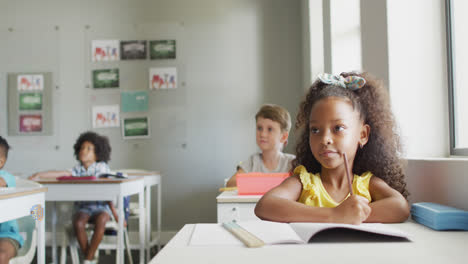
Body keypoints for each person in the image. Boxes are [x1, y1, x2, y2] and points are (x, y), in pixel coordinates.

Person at [255, 72, 410, 224]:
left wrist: (353, 215)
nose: (325, 139)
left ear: (362, 135)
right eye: (315, 130)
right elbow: (265, 205)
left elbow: (400, 207)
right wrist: (334, 215)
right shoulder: (304, 183)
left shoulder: (366, 184)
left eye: (338, 128)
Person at [30, 131, 122, 264]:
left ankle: (87, 259)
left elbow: (108, 192)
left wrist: (116, 214)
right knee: (78, 222)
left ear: (98, 154)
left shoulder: (102, 168)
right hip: (83, 208)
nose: (84, 151)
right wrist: (39, 175)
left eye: (89, 149)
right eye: (82, 148)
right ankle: (89, 257)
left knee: (101, 219)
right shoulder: (77, 169)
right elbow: (60, 173)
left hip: (101, 208)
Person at [225, 104, 296, 187]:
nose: (263, 134)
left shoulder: (292, 162)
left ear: (283, 137)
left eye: (270, 129)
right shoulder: (252, 161)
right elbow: (230, 183)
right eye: (259, 128)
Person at [0, 136, 24, 264]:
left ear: (1, 162)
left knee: (1, 256)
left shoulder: (7, 178)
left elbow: (1, 183)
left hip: (7, 235)